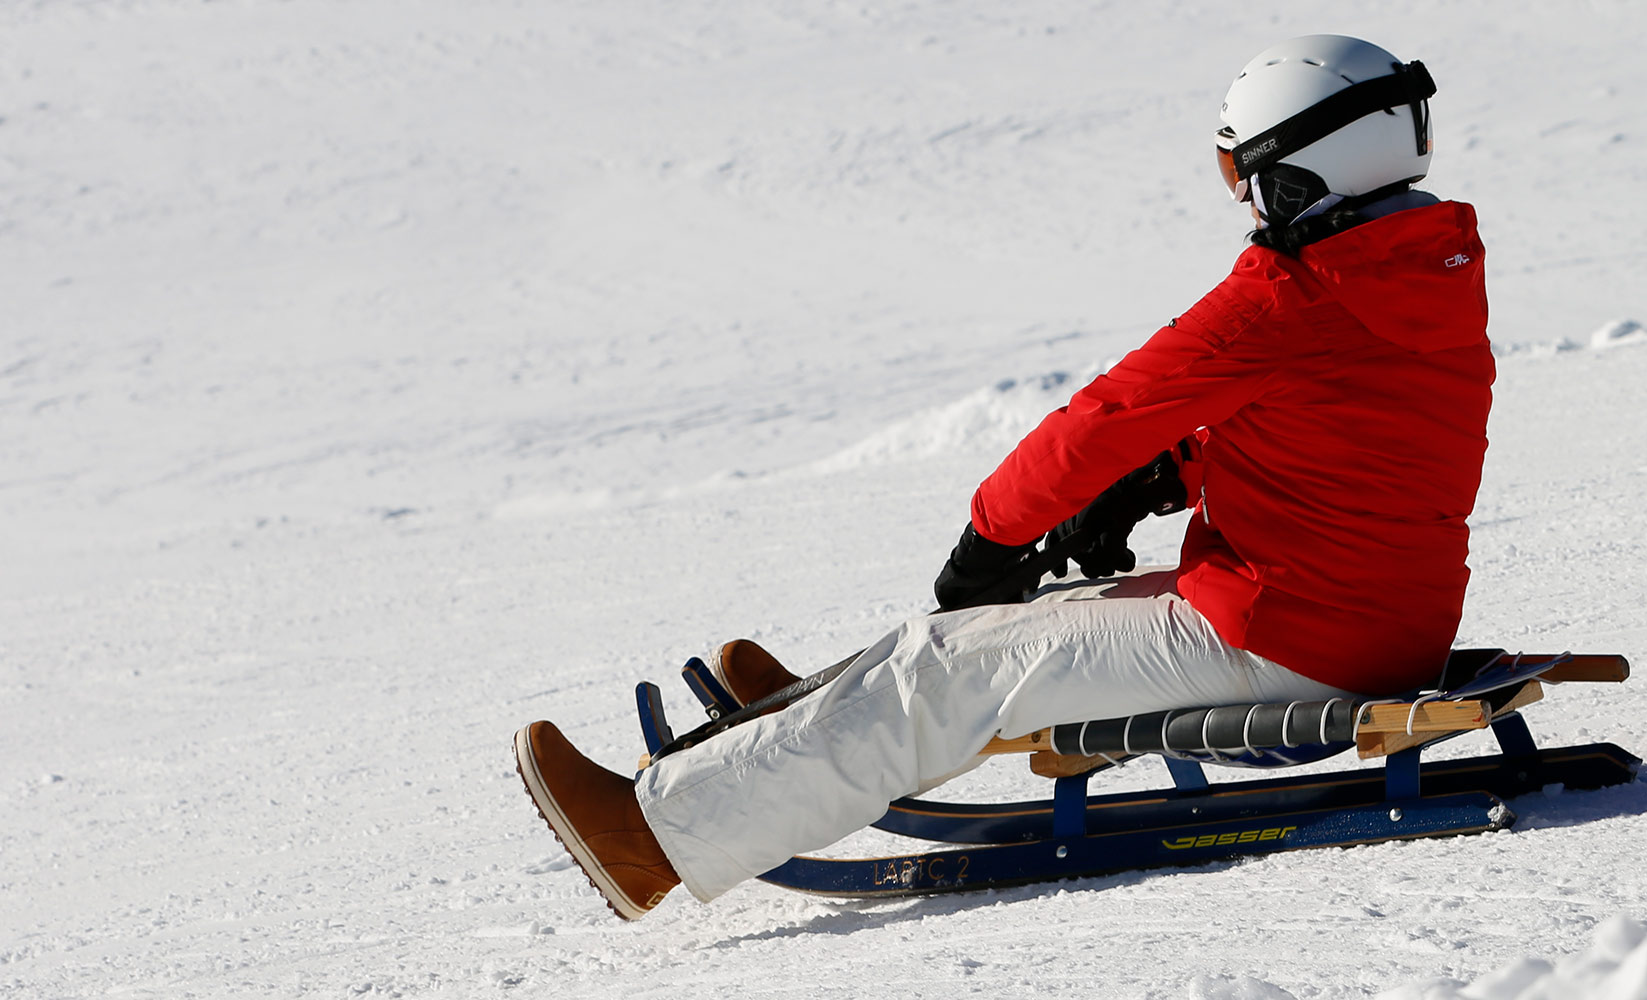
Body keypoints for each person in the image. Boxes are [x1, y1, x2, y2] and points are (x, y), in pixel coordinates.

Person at [513, 33, 1492, 919]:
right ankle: (798, 731)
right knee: (1014, 628)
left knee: (948, 668)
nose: (1237, 194)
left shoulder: (1284, 298)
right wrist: (1161, 476)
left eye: (1239, 169)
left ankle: (652, 839)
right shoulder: (1422, 274)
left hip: (1288, 635)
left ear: (1292, 171)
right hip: (1372, 620)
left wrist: (992, 538)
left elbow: (1097, 421)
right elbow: (1347, 435)